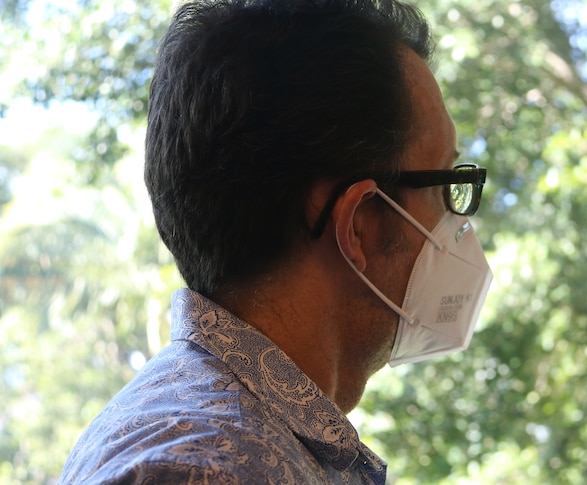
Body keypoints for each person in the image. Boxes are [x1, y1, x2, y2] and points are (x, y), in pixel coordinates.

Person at [58, 0, 492, 483]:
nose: (456, 220)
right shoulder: (203, 466)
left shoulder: (219, 436)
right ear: (360, 223)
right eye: (443, 187)